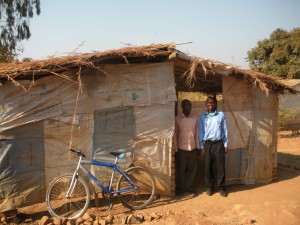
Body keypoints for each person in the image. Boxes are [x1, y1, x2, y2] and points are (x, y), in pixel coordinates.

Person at [198, 96, 228, 197]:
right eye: (208, 103)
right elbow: (201, 131)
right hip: (208, 144)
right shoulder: (203, 116)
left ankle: (221, 188)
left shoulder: (221, 115)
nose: (210, 104)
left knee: (220, 167)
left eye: (212, 103)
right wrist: (202, 146)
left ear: (216, 104)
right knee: (208, 167)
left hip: (219, 143)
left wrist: (225, 144)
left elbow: (225, 130)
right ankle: (209, 187)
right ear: (206, 104)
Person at [174, 99, 200, 196]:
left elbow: (197, 133)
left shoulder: (195, 118)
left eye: (189, 106)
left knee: (192, 169)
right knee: (181, 170)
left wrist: (198, 146)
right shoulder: (177, 119)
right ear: (182, 107)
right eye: (186, 106)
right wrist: (176, 149)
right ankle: (180, 188)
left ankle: (189, 187)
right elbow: (175, 135)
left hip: (193, 148)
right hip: (181, 149)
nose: (188, 108)